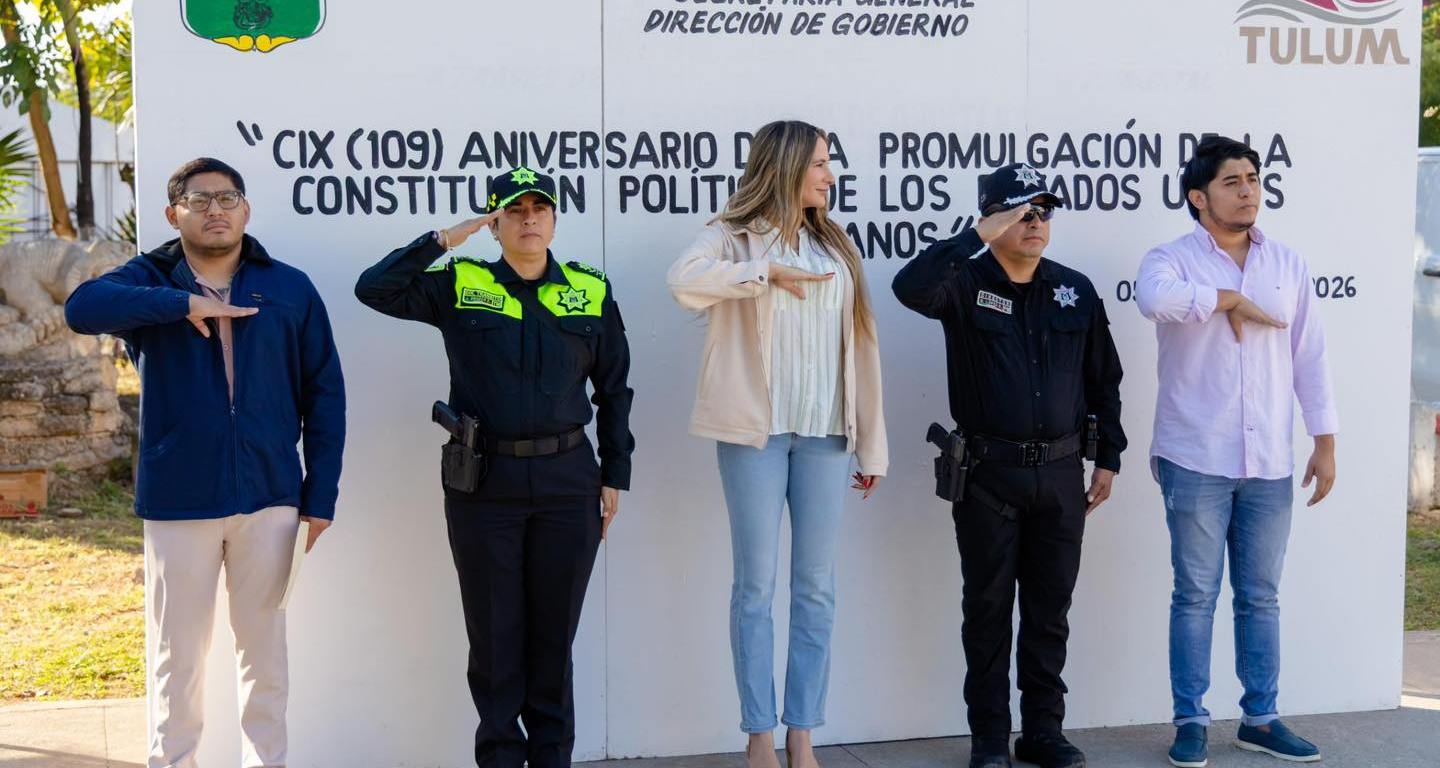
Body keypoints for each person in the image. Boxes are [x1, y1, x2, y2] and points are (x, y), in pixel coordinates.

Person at [64, 156, 346, 768]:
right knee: (179, 657)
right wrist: (182, 306)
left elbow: (325, 394)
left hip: (271, 496)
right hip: (179, 497)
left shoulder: (289, 286)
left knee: (264, 656)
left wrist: (318, 496)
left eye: (228, 198)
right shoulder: (151, 279)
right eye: (200, 201)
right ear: (174, 214)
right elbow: (82, 308)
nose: (215, 210)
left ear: (245, 209)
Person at [354, 166, 634, 768]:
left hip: (568, 482)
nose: (529, 218)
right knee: (496, 638)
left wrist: (616, 472)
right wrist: (445, 238)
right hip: (484, 483)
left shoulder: (589, 288)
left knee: (553, 640)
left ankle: (553, 759)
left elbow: (615, 389)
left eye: (540, 208)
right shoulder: (460, 281)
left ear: (555, 219)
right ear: (495, 222)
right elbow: (373, 289)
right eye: (513, 210)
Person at [667, 119, 888, 768]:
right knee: (754, 589)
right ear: (786, 166)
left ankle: (802, 734)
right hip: (753, 438)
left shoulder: (838, 246)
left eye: (829, 164)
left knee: (817, 587)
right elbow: (683, 282)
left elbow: (864, 348)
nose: (829, 174)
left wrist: (870, 445)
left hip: (827, 436)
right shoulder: (732, 240)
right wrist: (764, 273)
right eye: (820, 163)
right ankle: (759, 736)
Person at [892, 163, 1126, 768]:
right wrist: (977, 235)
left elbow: (1105, 379)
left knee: (1051, 609)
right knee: (989, 608)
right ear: (994, 217)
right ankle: (991, 737)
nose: (1036, 222)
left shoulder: (1073, 288)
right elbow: (908, 287)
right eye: (1023, 211)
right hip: (988, 476)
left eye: (1045, 211)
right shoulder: (962, 285)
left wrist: (1108, 457)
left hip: (1061, 474)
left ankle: (1043, 730)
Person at [1136, 136, 1337, 767]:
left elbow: (1311, 357)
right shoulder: (1170, 258)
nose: (1248, 189)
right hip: (1195, 453)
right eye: (1232, 181)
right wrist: (1224, 298)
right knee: (1195, 593)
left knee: (1261, 596)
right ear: (1199, 197)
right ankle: (1191, 720)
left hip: (1271, 459)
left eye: (1253, 177)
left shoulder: (1287, 264)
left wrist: (1324, 441)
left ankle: (1261, 718)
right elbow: (1152, 300)